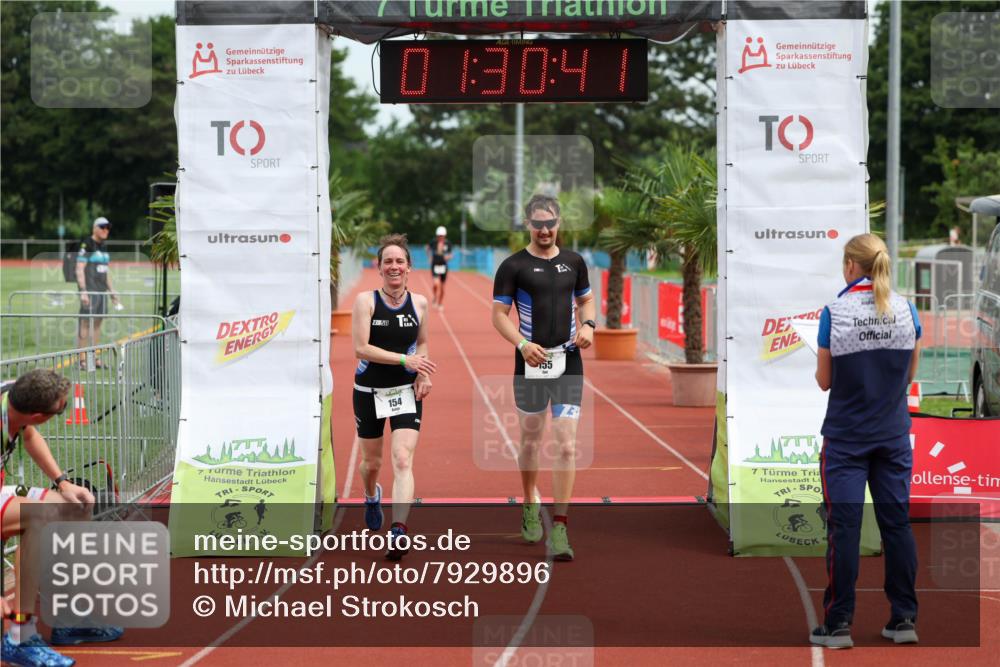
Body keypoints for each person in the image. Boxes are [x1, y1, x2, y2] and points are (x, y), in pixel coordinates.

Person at [810, 233, 921, 649]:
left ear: (852, 267)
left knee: (845, 530)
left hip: (846, 439)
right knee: (897, 526)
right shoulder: (906, 309)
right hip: (893, 435)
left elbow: (824, 382)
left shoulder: (833, 313)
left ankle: (838, 625)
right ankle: (904, 619)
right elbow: (909, 375)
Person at [491, 194, 596, 562]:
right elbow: (499, 316)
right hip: (531, 363)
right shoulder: (513, 266)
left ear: (559, 222)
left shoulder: (574, 263)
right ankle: (529, 501)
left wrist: (590, 326)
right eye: (537, 224)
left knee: (567, 444)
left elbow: (586, 301)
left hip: (568, 360)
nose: (545, 230)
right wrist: (521, 344)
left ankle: (562, 526)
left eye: (550, 223)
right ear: (528, 225)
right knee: (532, 440)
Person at [2, 369, 123, 667]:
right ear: (41, 414)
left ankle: (68, 616)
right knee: (37, 518)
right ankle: (20, 634)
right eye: (61, 410)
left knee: (76, 506)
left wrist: (63, 482)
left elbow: (29, 435)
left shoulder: (11, 404)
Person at [352, 234, 436, 561]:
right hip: (369, 391)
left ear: (409, 267)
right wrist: (405, 360)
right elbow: (361, 348)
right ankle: (372, 496)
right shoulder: (366, 301)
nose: (394, 266)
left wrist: (423, 372)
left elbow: (423, 342)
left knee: (402, 458)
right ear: (379, 267)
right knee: (371, 463)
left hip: (405, 391)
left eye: (399, 261)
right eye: (388, 261)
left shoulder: (420, 303)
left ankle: (399, 529)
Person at [75, 217, 121, 369]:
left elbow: (105, 272)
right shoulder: (87, 244)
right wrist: (83, 291)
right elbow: (79, 268)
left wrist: (112, 291)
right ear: (94, 228)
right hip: (90, 291)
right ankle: (82, 360)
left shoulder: (103, 246)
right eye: (102, 227)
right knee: (85, 324)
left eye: (108, 227)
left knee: (97, 325)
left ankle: (94, 358)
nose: (105, 230)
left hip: (101, 293)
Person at [427, 226, 453, 310]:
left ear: (444, 235)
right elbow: (427, 248)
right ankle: (435, 296)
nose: (440, 237)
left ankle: (440, 303)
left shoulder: (448, 243)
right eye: (439, 235)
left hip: (443, 266)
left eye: (442, 235)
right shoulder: (433, 242)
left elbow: (450, 254)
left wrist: (448, 257)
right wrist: (430, 257)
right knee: (436, 284)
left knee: (442, 288)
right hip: (435, 265)